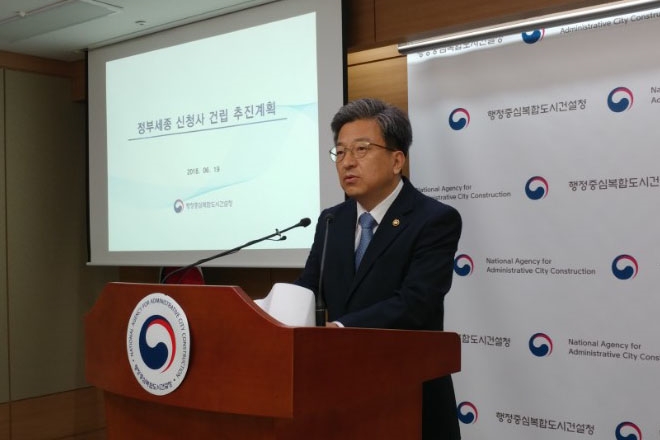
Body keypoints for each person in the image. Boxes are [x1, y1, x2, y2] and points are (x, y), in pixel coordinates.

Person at [295, 97, 462, 439]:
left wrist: (341, 327)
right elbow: (309, 287)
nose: (347, 162)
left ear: (397, 160)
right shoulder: (332, 220)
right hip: (338, 395)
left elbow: (416, 303)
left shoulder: (434, 219)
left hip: (408, 396)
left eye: (361, 149)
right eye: (341, 152)